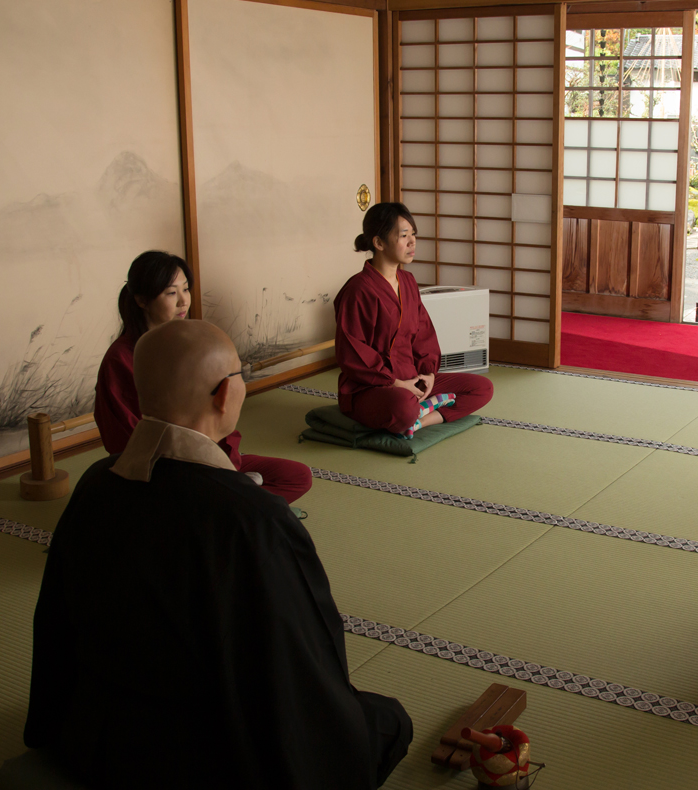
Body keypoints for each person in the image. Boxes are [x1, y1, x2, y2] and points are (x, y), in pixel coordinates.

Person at [25, 320, 411, 788]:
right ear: (224, 395)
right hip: (202, 755)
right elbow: (300, 667)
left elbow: (55, 630)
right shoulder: (251, 520)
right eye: (240, 376)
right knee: (385, 721)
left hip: (97, 735)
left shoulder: (96, 483)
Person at [95, 250, 312, 505]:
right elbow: (128, 440)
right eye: (171, 293)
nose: (183, 302)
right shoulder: (120, 359)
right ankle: (232, 505)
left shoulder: (190, 343)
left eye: (185, 289)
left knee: (297, 476)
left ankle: (228, 505)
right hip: (162, 473)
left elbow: (221, 414)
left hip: (211, 457)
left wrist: (226, 464)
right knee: (238, 501)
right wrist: (203, 469)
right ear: (142, 300)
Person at [334, 203, 493, 436]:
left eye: (413, 234)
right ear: (378, 243)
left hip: (413, 379)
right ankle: (416, 412)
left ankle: (422, 420)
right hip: (373, 387)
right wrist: (395, 383)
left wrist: (428, 375)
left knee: (482, 388)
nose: (412, 242)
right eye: (404, 235)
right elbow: (352, 352)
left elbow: (423, 334)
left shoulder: (407, 281)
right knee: (403, 406)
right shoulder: (358, 290)